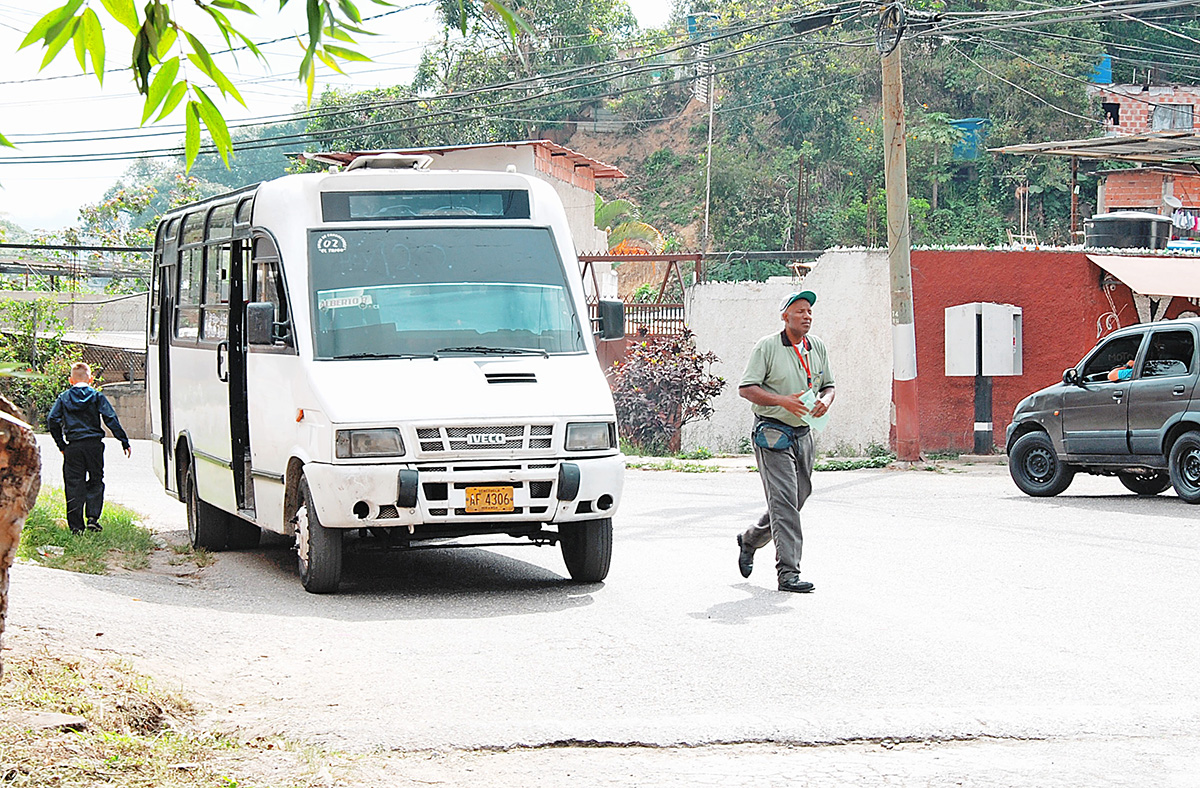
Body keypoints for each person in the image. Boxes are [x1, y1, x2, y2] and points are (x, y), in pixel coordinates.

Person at [736, 290, 836, 593]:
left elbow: (829, 386)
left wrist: (825, 401)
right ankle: (788, 573)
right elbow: (746, 388)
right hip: (772, 433)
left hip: (804, 432)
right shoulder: (767, 347)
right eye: (800, 311)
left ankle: (751, 539)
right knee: (783, 502)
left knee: (798, 497)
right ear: (785, 316)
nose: (807, 316)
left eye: (809, 312)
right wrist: (782, 401)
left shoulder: (816, 346)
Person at [47, 362, 132, 534]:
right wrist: (123, 440)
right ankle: (93, 518)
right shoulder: (96, 396)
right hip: (94, 446)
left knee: (73, 484)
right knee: (95, 480)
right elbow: (110, 418)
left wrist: (61, 444)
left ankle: (76, 528)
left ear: (71, 380)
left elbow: (52, 419)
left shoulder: (64, 398)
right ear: (91, 379)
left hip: (73, 446)